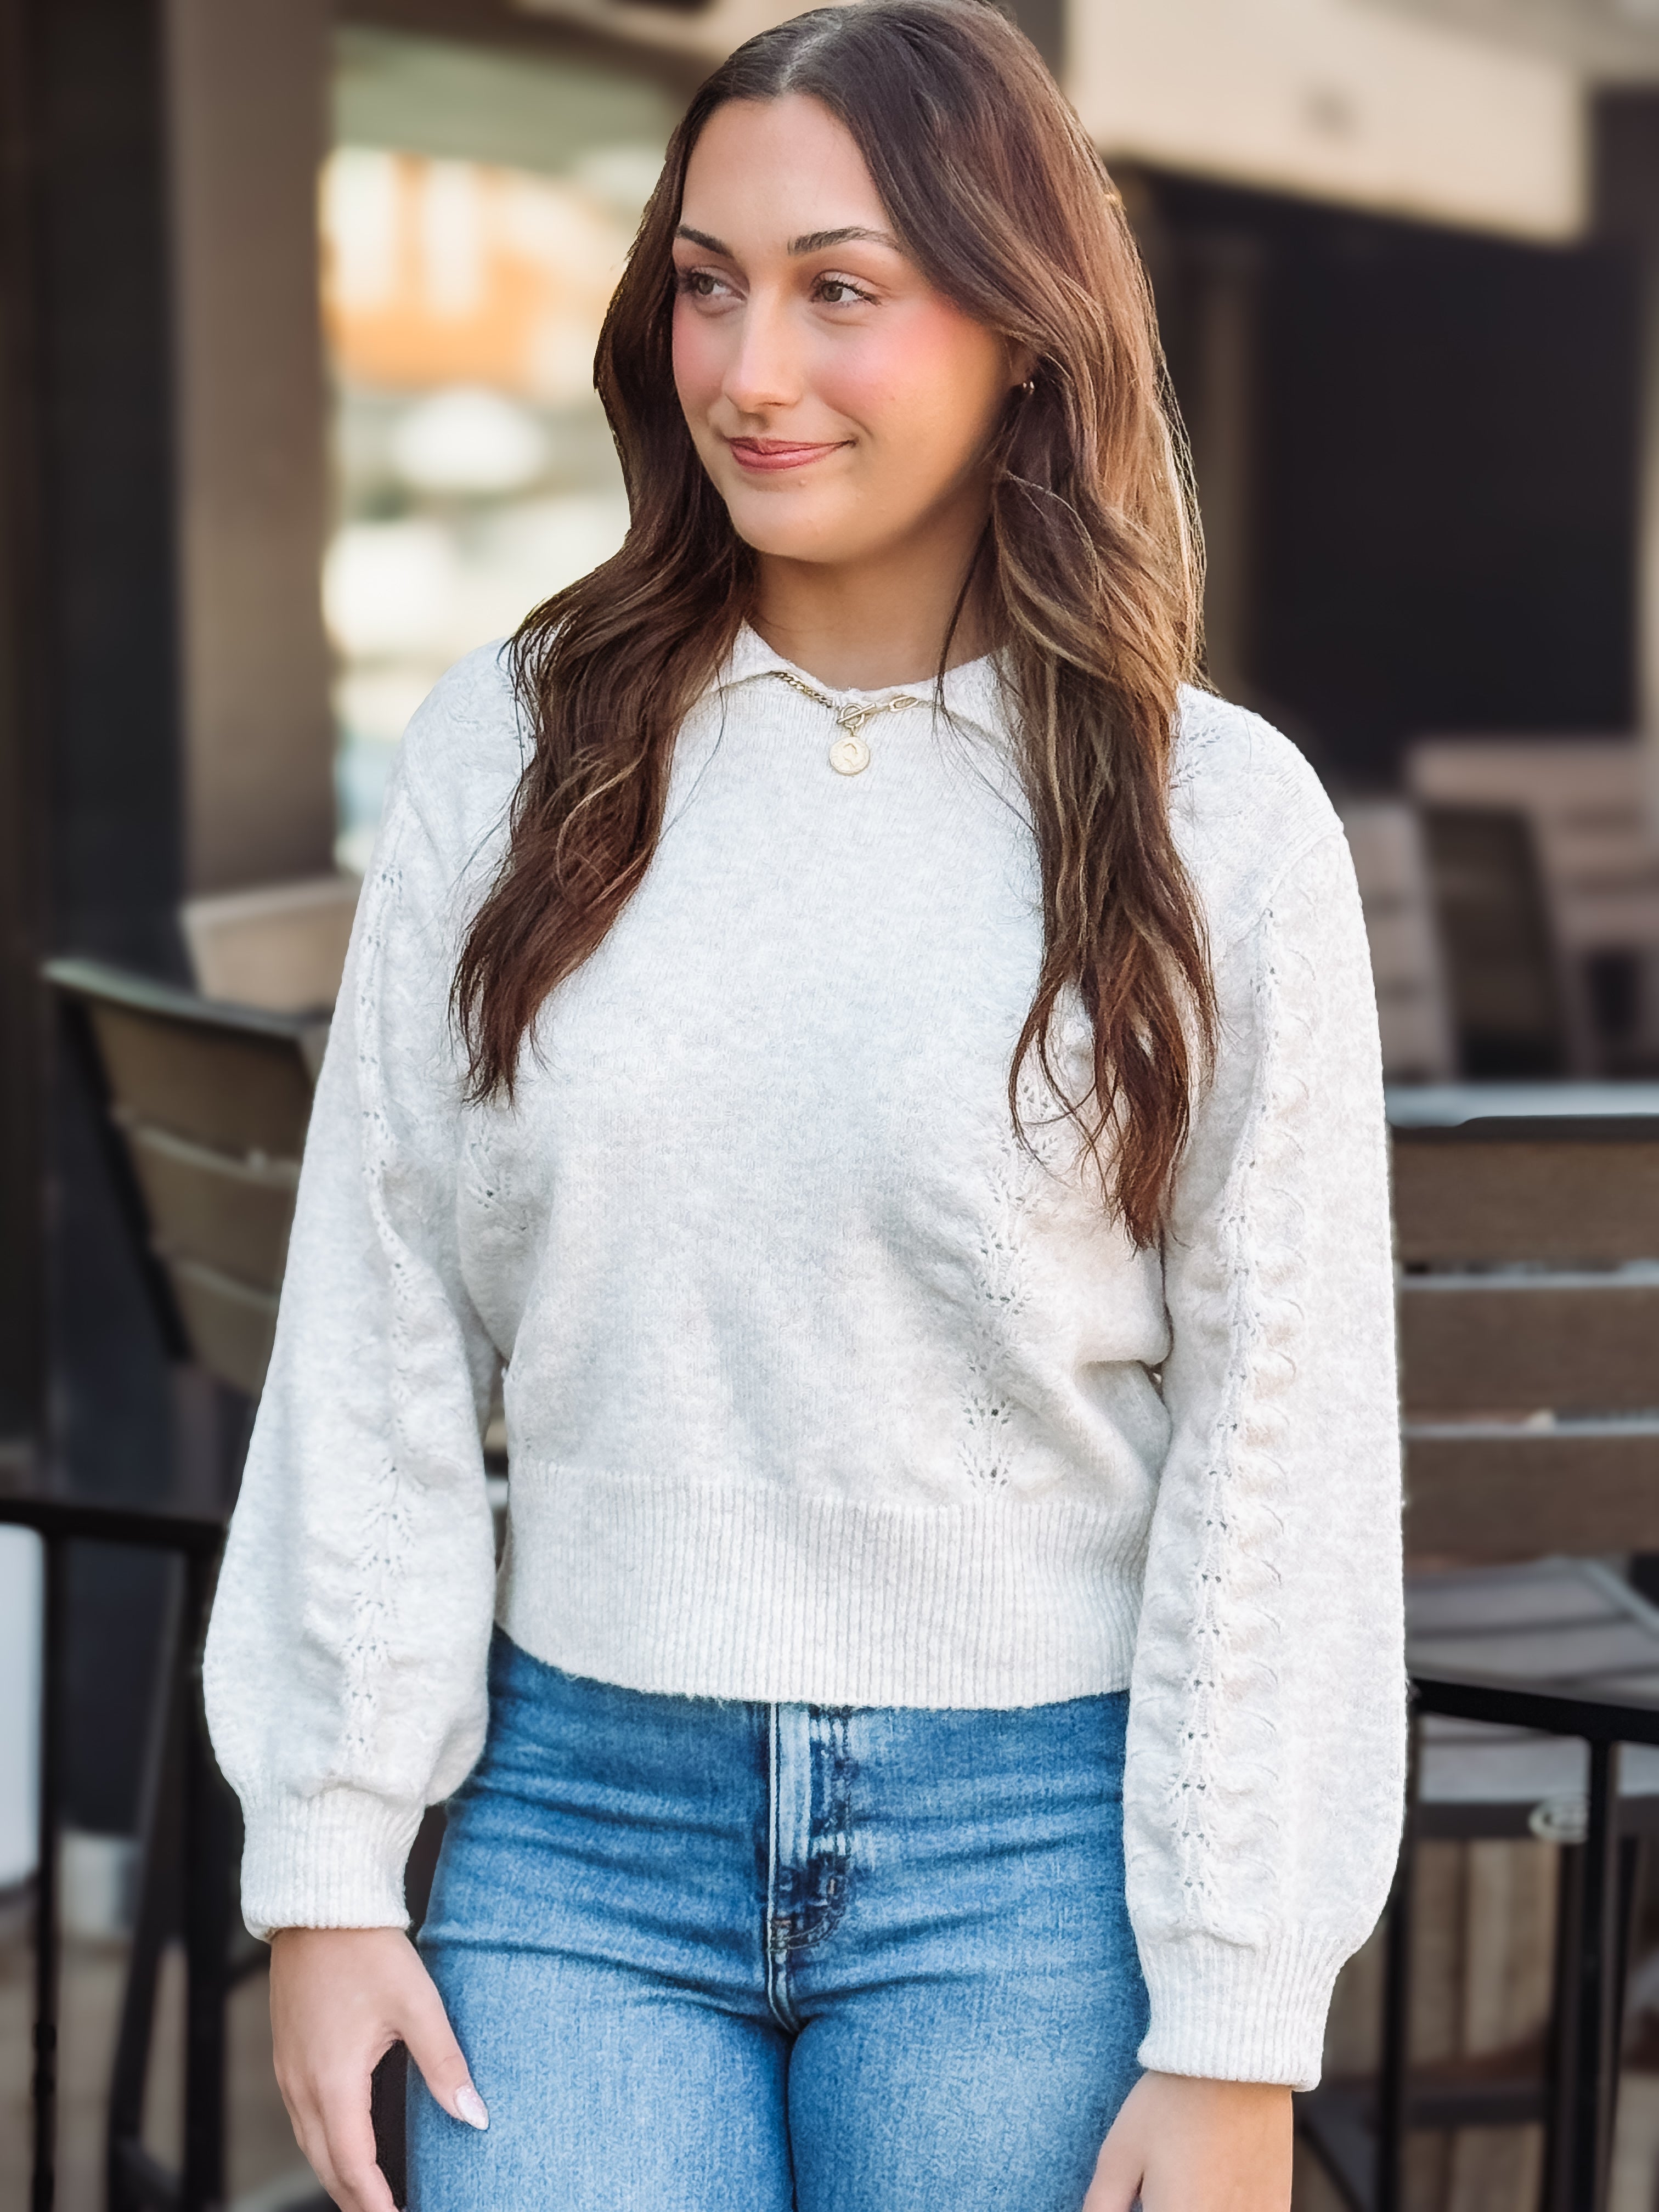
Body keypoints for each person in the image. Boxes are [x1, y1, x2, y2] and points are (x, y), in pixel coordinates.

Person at [204, 4, 1404, 2205]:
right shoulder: (520, 746)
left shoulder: (1215, 822)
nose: (750, 368)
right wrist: (332, 1858)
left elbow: (1284, 1445)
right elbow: (378, 1317)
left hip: (1035, 1862)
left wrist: (1238, 2013)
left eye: (841, 289)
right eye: (706, 278)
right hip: (575, 1833)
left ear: (1022, 333)